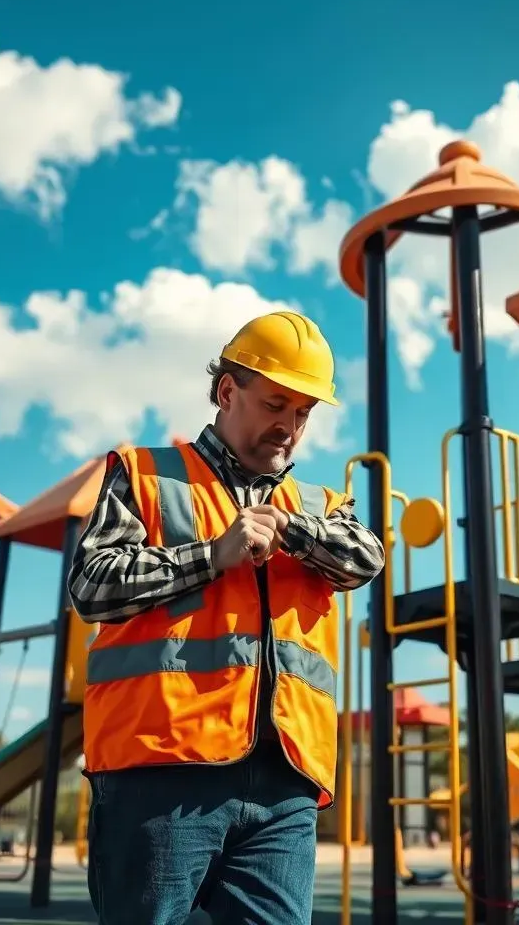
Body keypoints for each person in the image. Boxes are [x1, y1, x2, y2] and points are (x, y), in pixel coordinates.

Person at [67, 310, 386, 925]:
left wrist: (289, 530)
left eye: (302, 413)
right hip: (160, 772)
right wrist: (213, 555)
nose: (288, 427)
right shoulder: (145, 475)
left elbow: (365, 557)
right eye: (275, 405)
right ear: (225, 391)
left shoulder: (317, 504)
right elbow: (92, 584)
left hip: (284, 782)